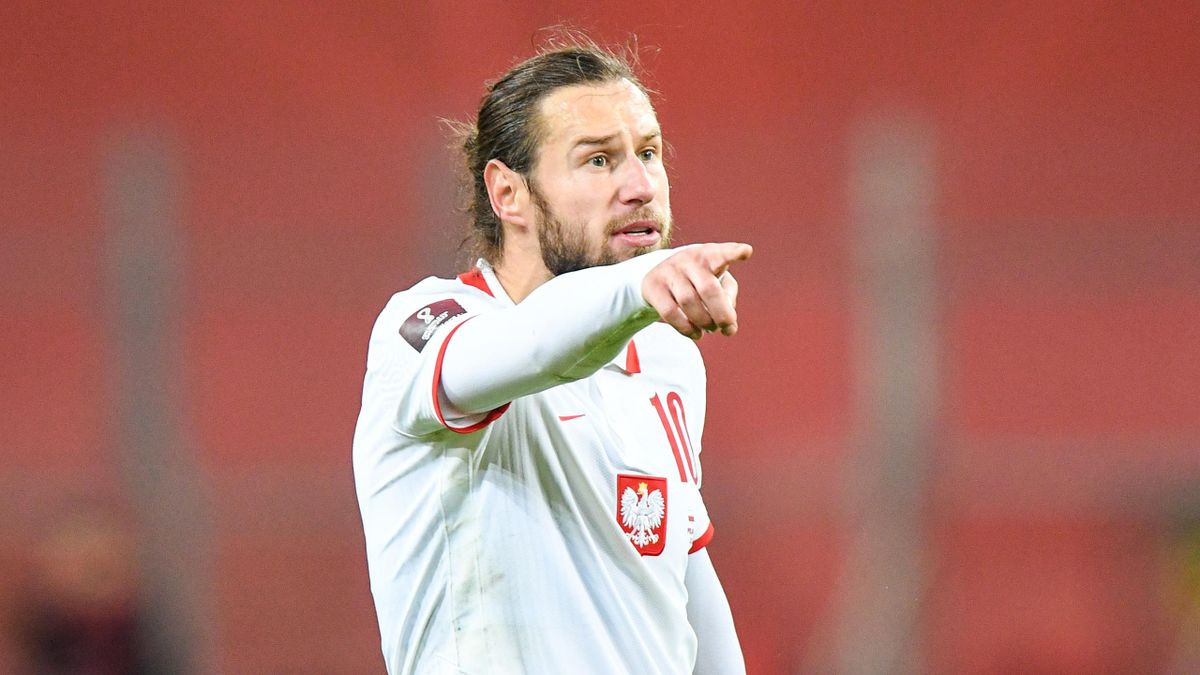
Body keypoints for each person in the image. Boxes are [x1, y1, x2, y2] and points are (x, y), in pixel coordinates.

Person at [352, 36, 750, 674]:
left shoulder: (667, 360)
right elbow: (535, 347)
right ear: (508, 193)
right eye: (598, 160)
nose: (640, 186)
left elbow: (682, 585)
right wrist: (641, 284)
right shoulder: (424, 327)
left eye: (649, 153)